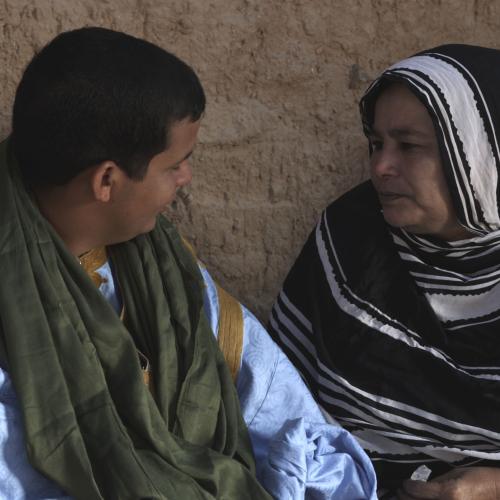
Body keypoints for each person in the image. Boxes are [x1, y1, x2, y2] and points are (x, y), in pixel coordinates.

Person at [0, 27, 377, 499]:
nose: (186, 177)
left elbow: (281, 412)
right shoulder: (14, 306)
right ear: (107, 181)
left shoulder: (165, 274)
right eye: (174, 164)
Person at [269, 44, 500, 499]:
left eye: (409, 146)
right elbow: (277, 407)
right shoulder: (351, 239)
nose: (380, 166)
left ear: (479, 154)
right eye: (376, 143)